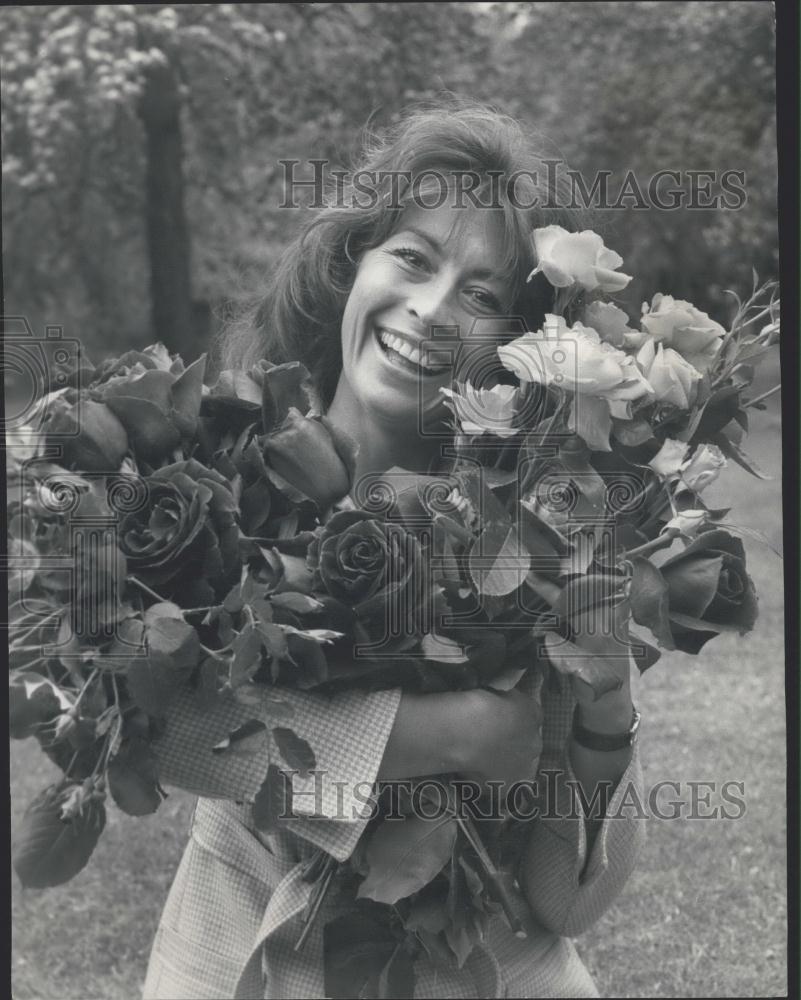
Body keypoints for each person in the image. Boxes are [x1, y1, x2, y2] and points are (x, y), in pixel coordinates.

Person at [143, 101, 646, 1000]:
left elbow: (571, 902)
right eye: (412, 258)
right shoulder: (204, 473)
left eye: (483, 294)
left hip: (490, 974)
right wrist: (447, 733)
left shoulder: (533, 533)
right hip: (235, 963)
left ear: (521, 346)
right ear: (350, 265)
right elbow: (156, 728)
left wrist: (611, 704)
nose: (430, 308)